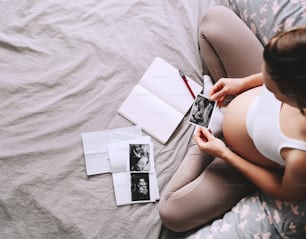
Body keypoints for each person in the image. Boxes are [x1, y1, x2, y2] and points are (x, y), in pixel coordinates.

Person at [159, 6, 306, 237]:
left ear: (292, 96)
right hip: (245, 101)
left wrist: (224, 153)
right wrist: (243, 83)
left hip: (241, 158)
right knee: (213, 19)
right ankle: (217, 114)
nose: (264, 81)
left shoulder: (300, 156)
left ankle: (206, 136)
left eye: (271, 86)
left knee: (171, 213)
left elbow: (284, 191)